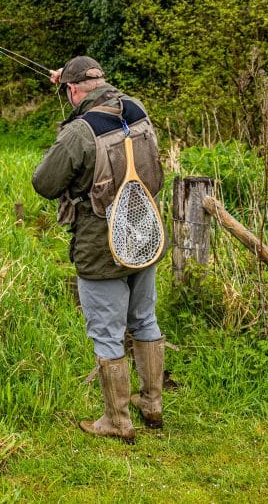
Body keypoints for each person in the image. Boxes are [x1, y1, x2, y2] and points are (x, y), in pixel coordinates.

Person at [31, 56, 166, 443]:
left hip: (99, 241)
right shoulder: (136, 108)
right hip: (143, 230)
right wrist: (71, 88)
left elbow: (45, 182)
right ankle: (152, 405)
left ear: (73, 91)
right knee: (144, 318)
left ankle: (117, 422)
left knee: (106, 332)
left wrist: (71, 117)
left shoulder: (80, 131)